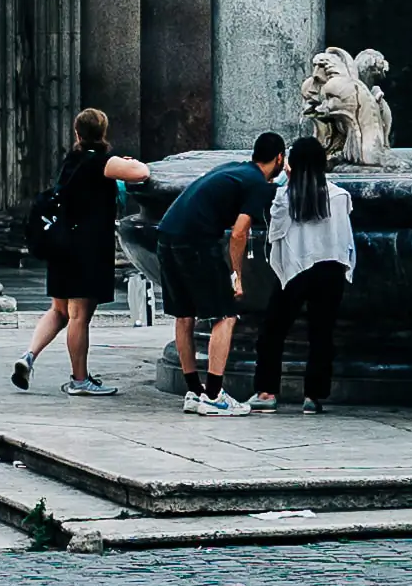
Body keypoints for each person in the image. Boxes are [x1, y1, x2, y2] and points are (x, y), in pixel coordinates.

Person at [11, 115, 155, 393]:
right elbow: (142, 173)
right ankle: (79, 380)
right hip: (85, 249)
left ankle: (29, 355)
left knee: (59, 310)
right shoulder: (102, 161)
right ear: (103, 131)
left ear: (77, 133)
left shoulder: (71, 160)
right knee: (79, 316)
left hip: (60, 244)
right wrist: (129, 162)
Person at [147, 131, 286, 414]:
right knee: (226, 314)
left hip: (166, 235)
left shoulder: (233, 169)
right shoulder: (257, 183)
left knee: (185, 314)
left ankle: (194, 392)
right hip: (196, 242)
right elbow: (238, 233)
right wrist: (237, 277)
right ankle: (213, 395)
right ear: (280, 158)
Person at [245, 138, 357, 411]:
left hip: (294, 270)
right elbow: (344, 238)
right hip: (330, 268)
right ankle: (313, 397)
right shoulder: (340, 196)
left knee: (273, 330)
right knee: (321, 333)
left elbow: (276, 233)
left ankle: (267, 392)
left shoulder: (285, 195)